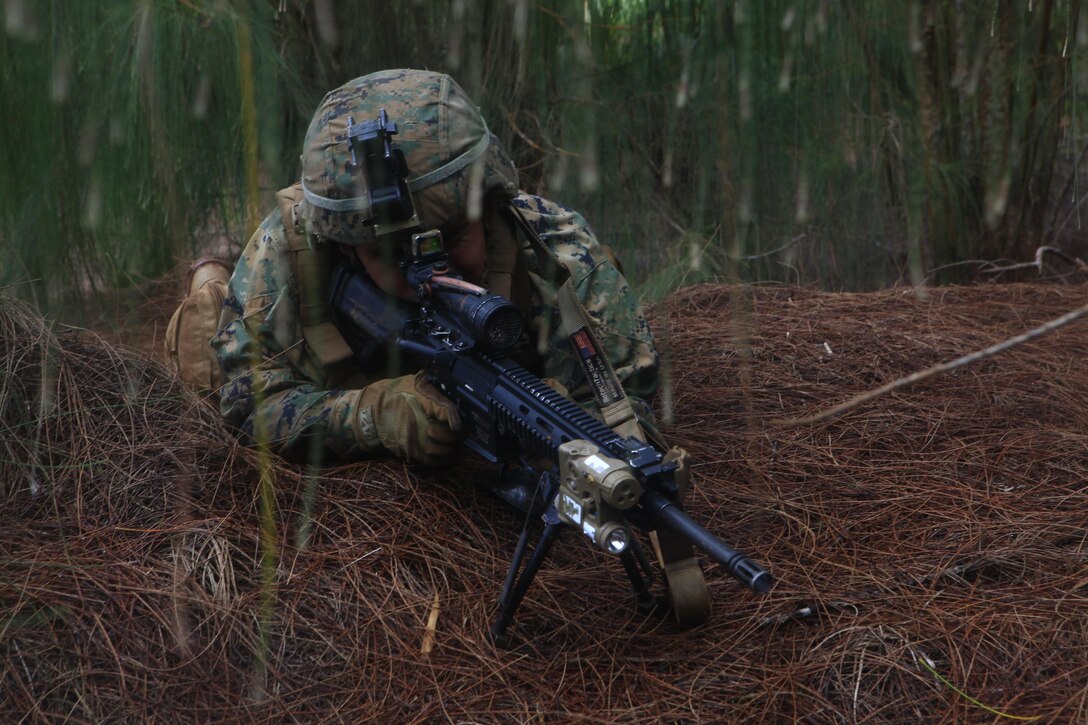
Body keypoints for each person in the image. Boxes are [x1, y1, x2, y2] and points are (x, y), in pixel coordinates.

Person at [209, 68, 661, 468]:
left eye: (455, 237)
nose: (436, 271)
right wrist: (372, 416)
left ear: (488, 207)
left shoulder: (558, 255)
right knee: (202, 334)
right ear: (347, 248)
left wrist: (553, 422)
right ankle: (208, 278)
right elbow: (248, 404)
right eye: (393, 255)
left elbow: (626, 403)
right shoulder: (289, 252)